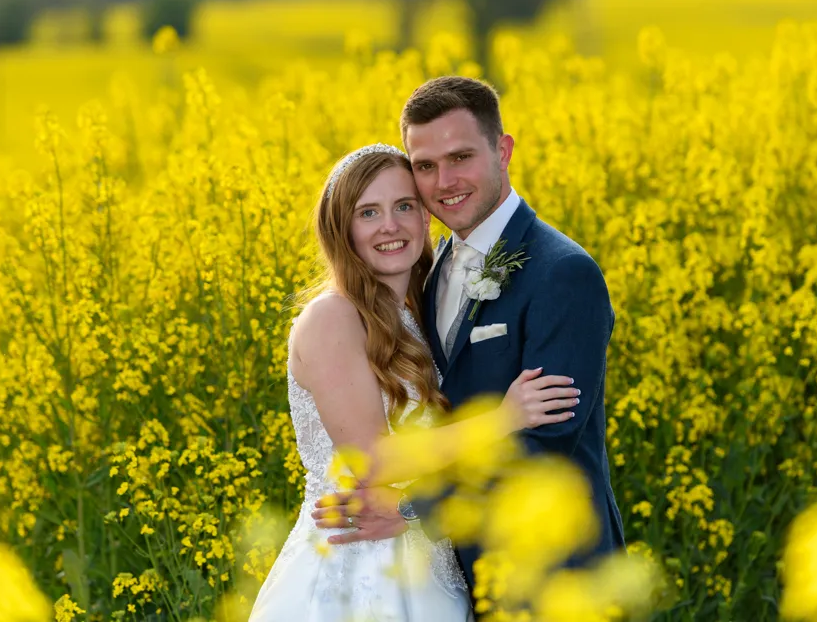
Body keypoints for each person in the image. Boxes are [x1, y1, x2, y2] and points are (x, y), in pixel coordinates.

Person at [313, 76, 626, 596]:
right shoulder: (429, 272)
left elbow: (545, 444)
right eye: (426, 166)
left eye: (461, 157)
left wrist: (412, 509)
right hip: (462, 573)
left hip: (554, 572)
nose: (444, 181)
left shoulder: (563, 272)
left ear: (502, 151)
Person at [248, 143, 581, 621]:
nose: (391, 225)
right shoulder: (331, 317)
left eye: (404, 205)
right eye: (368, 212)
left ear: (426, 216)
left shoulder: (418, 311)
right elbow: (373, 459)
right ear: (342, 230)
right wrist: (504, 419)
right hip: (357, 564)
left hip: (427, 553)